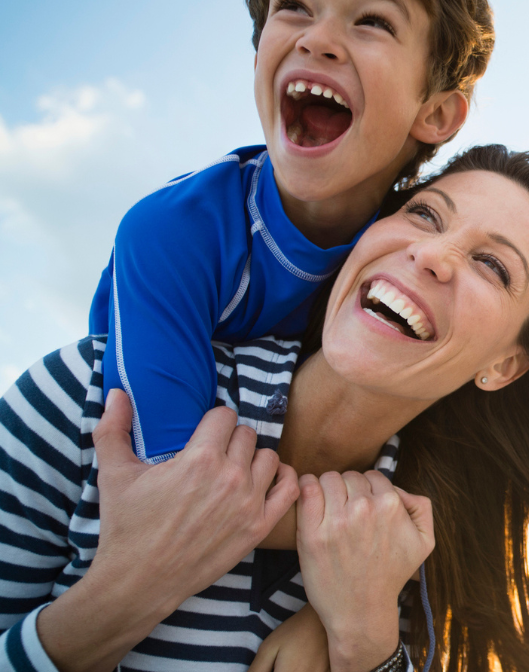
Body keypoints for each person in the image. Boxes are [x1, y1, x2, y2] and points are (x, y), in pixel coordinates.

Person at [0, 146, 529, 672]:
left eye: (491, 265)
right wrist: (124, 596)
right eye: (423, 215)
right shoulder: (95, 400)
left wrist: (362, 641)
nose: (432, 255)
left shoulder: (416, 574)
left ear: (504, 364)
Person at [89, 0, 494, 466]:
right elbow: (169, 489)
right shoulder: (171, 234)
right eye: (296, 7)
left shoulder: (419, 264)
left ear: (437, 113)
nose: (316, 39)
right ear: (260, 53)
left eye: (373, 21)